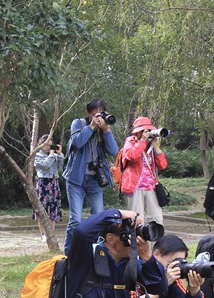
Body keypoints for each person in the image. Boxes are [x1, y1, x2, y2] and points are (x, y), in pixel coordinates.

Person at [63, 99, 119, 255]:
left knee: (99, 217)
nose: (98, 116)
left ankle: (95, 252)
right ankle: (69, 253)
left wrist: (107, 130)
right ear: (88, 113)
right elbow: (78, 142)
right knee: (76, 219)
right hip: (76, 179)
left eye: (101, 113)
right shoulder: (78, 124)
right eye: (95, 113)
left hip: (95, 180)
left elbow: (114, 151)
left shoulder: (103, 129)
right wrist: (92, 126)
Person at [121, 117, 168, 226]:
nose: (147, 133)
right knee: (137, 220)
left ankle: (156, 242)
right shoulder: (131, 141)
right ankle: (137, 243)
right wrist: (142, 141)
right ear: (138, 132)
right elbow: (131, 156)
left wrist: (157, 149)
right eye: (144, 130)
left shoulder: (150, 145)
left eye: (148, 130)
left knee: (156, 219)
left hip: (151, 187)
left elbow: (163, 166)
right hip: (134, 187)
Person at [33, 134, 64, 242]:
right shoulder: (36, 156)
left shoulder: (53, 155)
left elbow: (60, 167)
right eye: (46, 145)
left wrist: (60, 155)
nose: (48, 147)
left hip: (53, 182)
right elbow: (45, 165)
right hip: (42, 183)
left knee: (53, 210)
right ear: (40, 145)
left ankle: (51, 234)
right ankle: (43, 234)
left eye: (51, 145)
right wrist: (52, 154)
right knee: (42, 210)